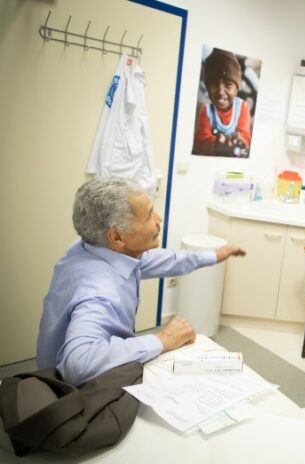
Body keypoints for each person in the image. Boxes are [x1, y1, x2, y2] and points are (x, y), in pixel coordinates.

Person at [36, 177, 246, 386]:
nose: (158, 219)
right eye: (148, 216)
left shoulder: (92, 247)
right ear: (117, 237)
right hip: (69, 392)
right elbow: (77, 364)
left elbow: (154, 260)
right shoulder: (100, 292)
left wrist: (212, 256)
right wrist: (162, 340)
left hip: (50, 371)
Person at [193, 48, 251, 157]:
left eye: (228, 84)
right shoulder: (206, 111)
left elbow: (245, 137)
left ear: (237, 89)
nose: (220, 91)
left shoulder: (242, 107)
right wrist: (216, 144)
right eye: (214, 84)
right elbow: (200, 142)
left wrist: (239, 140)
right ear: (207, 87)